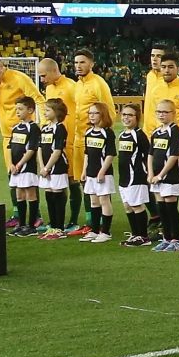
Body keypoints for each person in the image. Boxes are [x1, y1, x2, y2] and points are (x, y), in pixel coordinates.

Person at [0, 56, 38, 214]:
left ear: (1, 66)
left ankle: (35, 216)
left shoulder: (19, 78)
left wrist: (40, 125)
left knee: (28, 176)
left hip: (25, 136)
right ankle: (17, 213)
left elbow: (37, 99)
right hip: (9, 138)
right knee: (13, 175)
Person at [71, 51, 115, 237]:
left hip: (97, 140)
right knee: (86, 183)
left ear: (91, 63)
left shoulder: (98, 84)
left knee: (101, 188)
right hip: (81, 139)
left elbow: (109, 111)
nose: (78, 65)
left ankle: (102, 228)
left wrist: (103, 131)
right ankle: (92, 224)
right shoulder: (78, 86)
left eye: (82, 62)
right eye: (76, 62)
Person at [36, 59, 82, 236]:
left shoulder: (71, 86)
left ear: (54, 70)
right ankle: (56, 221)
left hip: (69, 141)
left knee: (72, 180)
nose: (42, 79)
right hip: (53, 142)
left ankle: (73, 220)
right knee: (56, 185)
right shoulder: (49, 89)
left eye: (43, 75)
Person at [147, 99, 179, 251]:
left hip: (170, 176)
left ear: (173, 114)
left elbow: (174, 155)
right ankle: (166, 238)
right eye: (159, 112)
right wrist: (150, 173)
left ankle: (175, 239)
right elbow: (150, 154)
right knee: (161, 208)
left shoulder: (174, 131)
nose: (161, 115)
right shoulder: (156, 132)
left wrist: (160, 175)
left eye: (165, 112)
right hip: (156, 178)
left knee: (171, 208)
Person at [116, 103, 153, 247]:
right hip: (124, 177)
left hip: (136, 176)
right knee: (127, 206)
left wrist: (148, 173)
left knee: (137, 205)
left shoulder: (139, 135)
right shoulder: (122, 134)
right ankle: (135, 234)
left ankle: (143, 236)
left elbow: (148, 155)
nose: (126, 118)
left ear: (137, 117)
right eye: (124, 114)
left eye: (130, 115)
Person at [80, 102, 115, 243]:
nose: (92, 116)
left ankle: (105, 232)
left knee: (104, 200)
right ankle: (94, 230)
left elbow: (110, 154)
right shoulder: (88, 132)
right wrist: (84, 171)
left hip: (103, 173)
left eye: (95, 113)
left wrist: (102, 171)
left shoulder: (107, 133)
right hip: (91, 173)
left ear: (103, 114)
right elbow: (87, 154)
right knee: (94, 201)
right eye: (90, 113)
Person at [37, 96, 71, 239]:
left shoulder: (60, 128)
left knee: (57, 194)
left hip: (57, 166)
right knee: (49, 194)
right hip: (45, 167)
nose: (45, 112)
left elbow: (57, 151)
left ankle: (59, 228)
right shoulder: (45, 128)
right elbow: (39, 148)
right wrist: (42, 166)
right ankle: (52, 226)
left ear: (56, 112)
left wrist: (47, 167)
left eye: (48, 110)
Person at [7, 97, 40, 235]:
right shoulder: (16, 127)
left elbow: (32, 149)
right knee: (19, 195)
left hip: (27, 167)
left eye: (20, 109)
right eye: (17, 109)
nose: (18, 112)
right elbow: (10, 147)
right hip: (15, 168)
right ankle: (21, 224)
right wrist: (10, 164)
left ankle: (32, 226)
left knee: (30, 194)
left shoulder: (33, 128)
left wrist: (20, 164)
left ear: (30, 110)